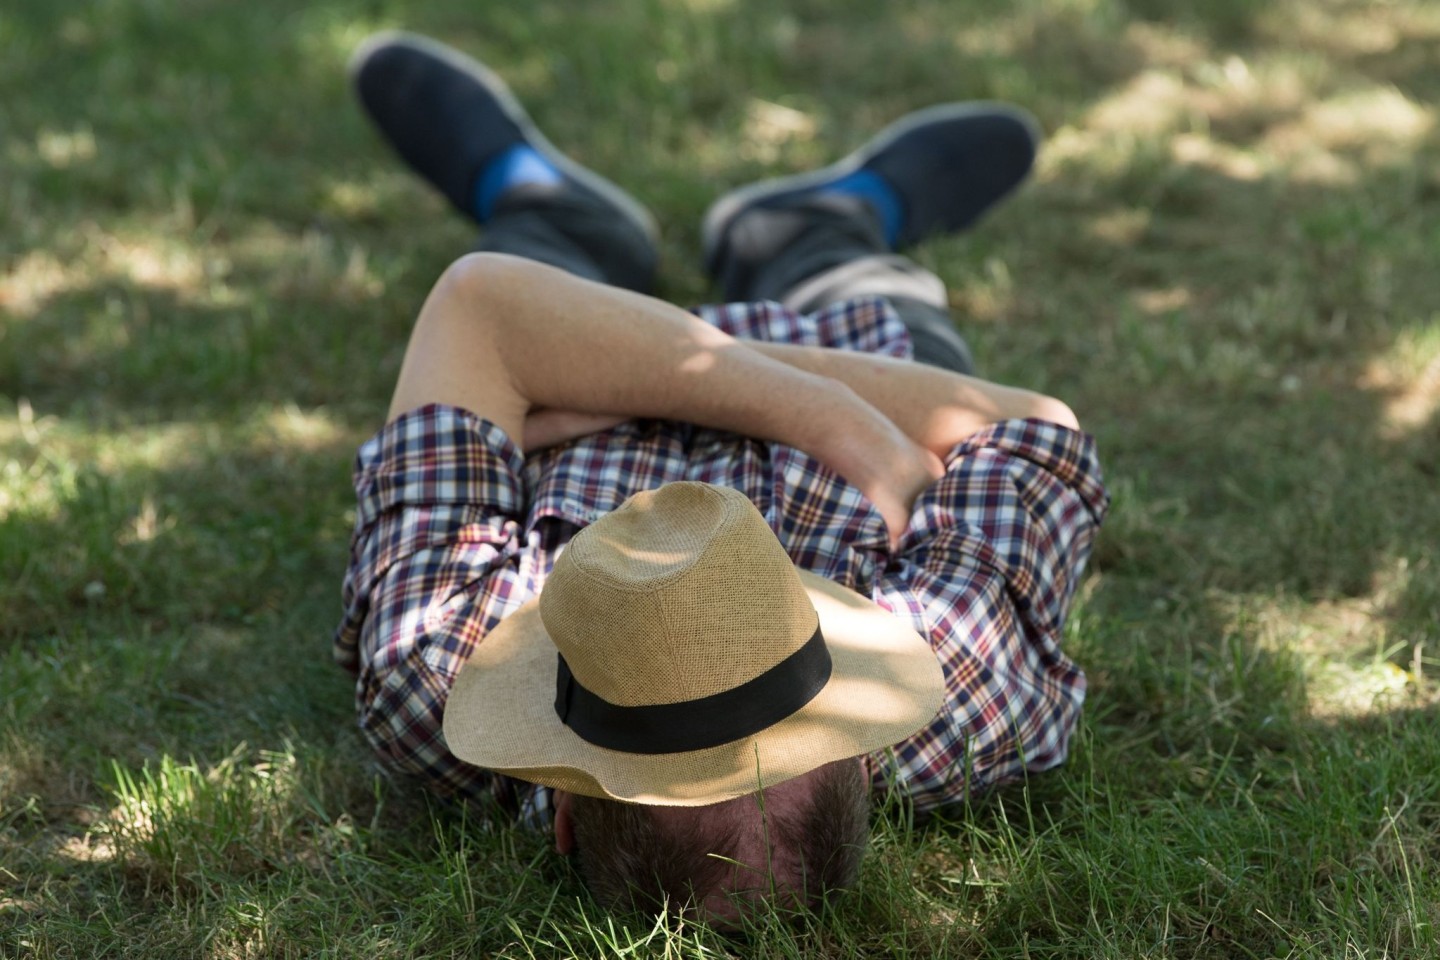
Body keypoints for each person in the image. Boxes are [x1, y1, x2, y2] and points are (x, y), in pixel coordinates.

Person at [334, 31, 1109, 923]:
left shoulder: (436, 672)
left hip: (608, 369)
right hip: (836, 360)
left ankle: (542, 196)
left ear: (563, 821)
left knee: (539, 247)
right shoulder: (960, 689)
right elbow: (1029, 423)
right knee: (875, 291)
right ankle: (827, 222)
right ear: (871, 759)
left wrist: (657, 365)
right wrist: (821, 405)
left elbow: (479, 305)